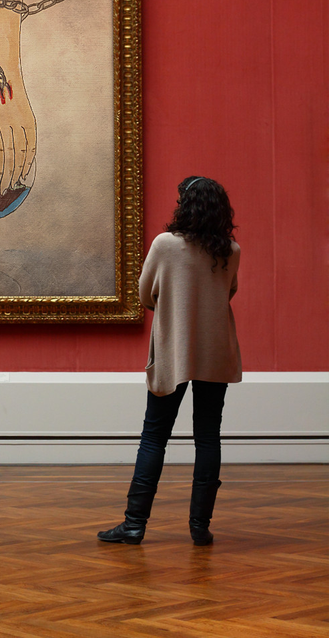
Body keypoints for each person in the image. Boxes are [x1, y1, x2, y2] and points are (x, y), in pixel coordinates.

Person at [98, 176, 242, 546]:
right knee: (208, 436)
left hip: (174, 350)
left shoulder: (165, 244)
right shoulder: (230, 250)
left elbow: (146, 294)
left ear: (185, 204)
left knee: (154, 436)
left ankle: (134, 525)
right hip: (216, 351)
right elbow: (229, 292)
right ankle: (200, 527)